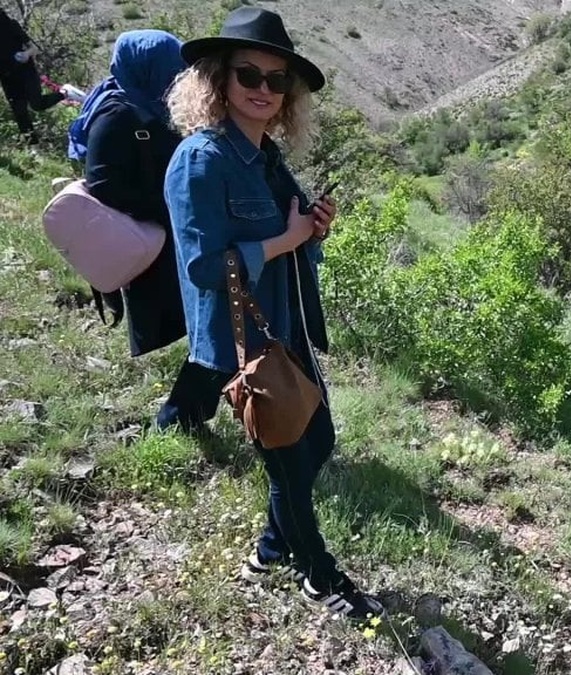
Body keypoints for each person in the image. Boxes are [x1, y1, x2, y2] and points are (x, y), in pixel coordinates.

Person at [163, 6, 382, 621]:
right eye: (248, 75)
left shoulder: (263, 157)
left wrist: (311, 232)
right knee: (288, 464)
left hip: (289, 328)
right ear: (217, 79)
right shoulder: (201, 161)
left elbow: (284, 242)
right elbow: (204, 268)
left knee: (318, 441)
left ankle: (268, 552)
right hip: (247, 342)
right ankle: (322, 578)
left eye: (276, 79)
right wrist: (283, 242)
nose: (263, 89)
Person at [68, 29, 223, 434]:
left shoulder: (152, 105)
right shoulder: (118, 113)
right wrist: (168, 205)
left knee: (212, 324)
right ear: (147, 67)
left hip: (174, 236)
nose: (175, 76)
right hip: (154, 242)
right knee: (212, 324)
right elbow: (103, 184)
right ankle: (179, 418)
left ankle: (185, 414)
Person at [1, 8, 64, 143]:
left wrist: (26, 54)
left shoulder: (10, 25)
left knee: (37, 104)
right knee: (20, 113)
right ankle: (33, 147)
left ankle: (65, 93)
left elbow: (34, 48)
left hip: (25, 71)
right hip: (7, 78)